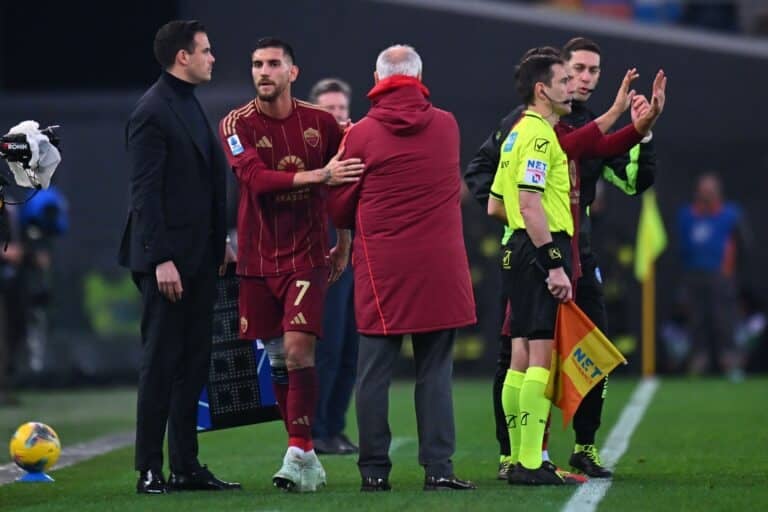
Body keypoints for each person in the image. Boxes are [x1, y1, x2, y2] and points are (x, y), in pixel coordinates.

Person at [465, 39, 660, 479]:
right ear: (543, 88)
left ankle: (520, 456)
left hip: (522, 249)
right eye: (566, 78)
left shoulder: (529, 131)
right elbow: (530, 202)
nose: (575, 85)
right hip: (543, 250)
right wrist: (552, 259)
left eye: (585, 75)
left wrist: (638, 124)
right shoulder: (536, 134)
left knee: (520, 355)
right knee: (538, 356)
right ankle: (530, 461)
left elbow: (500, 204)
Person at [328, 44, 477, 492]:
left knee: (372, 374)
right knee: (436, 372)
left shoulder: (361, 134)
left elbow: (339, 206)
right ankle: (439, 469)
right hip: (440, 267)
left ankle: (374, 470)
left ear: (377, 78)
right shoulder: (448, 126)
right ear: (419, 76)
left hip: (383, 270)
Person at [218, 37, 363, 492]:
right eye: (257, 63)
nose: (264, 71)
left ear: (292, 73)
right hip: (257, 258)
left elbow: (348, 181)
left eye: (274, 64)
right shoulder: (234, 124)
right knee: (278, 357)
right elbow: (257, 181)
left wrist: (344, 240)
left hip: (306, 255)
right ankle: (305, 454)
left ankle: (296, 450)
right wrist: (319, 175)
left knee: (300, 351)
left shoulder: (322, 123)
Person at [119, 20, 239, 494]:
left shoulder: (186, 103)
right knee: (161, 364)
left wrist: (220, 241)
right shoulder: (152, 110)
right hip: (167, 263)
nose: (213, 58)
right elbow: (144, 194)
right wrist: (160, 259)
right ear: (182, 57)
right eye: (206, 51)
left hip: (199, 259)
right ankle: (149, 468)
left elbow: (202, 185)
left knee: (194, 364)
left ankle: (186, 466)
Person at [308, 78, 359, 455]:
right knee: (328, 345)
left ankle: (335, 426)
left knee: (352, 348)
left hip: (358, 256)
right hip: (323, 257)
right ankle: (317, 429)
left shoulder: (358, 146)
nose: (337, 115)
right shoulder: (307, 155)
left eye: (341, 108)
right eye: (329, 109)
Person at [677, 172, 750, 380]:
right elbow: (682, 247)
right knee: (696, 321)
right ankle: (698, 363)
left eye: (710, 190)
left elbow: (744, 246)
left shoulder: (731, 214)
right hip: (694, 276)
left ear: (718, 192)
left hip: (721, 277)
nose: (706, 194)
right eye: (703, 189)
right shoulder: (687, 215)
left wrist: (732, 273)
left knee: (724, 321)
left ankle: (731, 362)